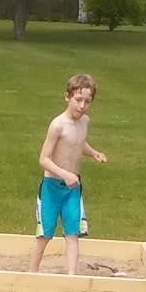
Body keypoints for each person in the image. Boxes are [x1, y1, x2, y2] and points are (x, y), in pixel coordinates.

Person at [29, 73, 107, 276]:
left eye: (87, 102)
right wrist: (65, 174)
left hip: (73, 189)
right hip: (52, 187)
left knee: (73, 233)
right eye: (78, 100)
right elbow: (44, 159)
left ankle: (72, 276)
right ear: (67, 97)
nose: (82, 106)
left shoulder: (84, 122)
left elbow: (78, 143)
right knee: (44, 235)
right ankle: (32, 273)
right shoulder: (58, 125)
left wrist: (94, 153)